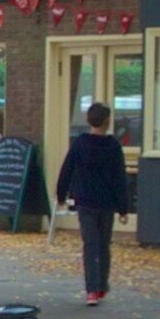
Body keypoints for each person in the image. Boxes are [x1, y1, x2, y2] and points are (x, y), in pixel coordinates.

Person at [53, 102, 131, 306]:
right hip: (106, 203)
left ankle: (91, 290)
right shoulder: (113, 146)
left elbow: (67, 169)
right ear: (107, 122)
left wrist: (61, 195)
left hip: (85, 201)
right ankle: (102, 285)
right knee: (104, 245)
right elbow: (119, 178)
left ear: (89, 121)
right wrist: (123, 208)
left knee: (90, 244)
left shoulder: (80, 144)